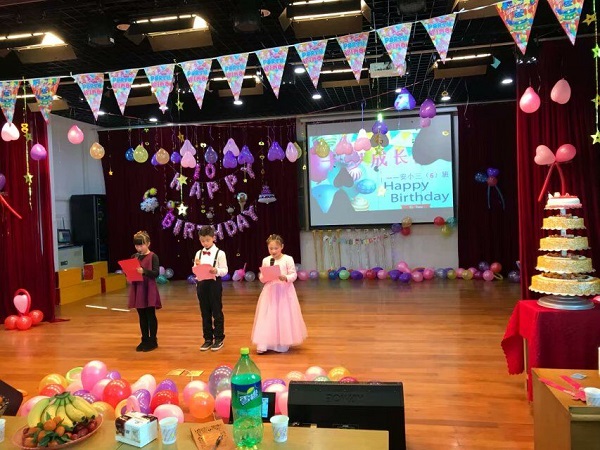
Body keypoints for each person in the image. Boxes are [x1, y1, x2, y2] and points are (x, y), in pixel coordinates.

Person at [252, 234, 307, 354]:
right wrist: (263, 277)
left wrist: (285, 277)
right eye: (270, 248)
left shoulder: (288, 259)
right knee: (268, 315)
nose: (273, 251)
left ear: (282, 246)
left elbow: (293, 274)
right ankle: (265, 342)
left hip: (284, 292)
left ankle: (282, 342)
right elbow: (262, 278)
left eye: (276, 248)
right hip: (270, 291)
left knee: (282, 315)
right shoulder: (266, 260)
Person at [194, 225, 228, 351]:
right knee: (205, 312)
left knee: (216, 311)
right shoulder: (198, 253)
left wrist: (216, 270)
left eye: (207, 240)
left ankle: (219, 338)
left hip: (214, 284)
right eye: (202, 241)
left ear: (213, 238)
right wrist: (197, 269)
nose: (205, 243)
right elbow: (195, 269)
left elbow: (225, 270)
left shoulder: (220, 253)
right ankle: (207, 338)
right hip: (202, 284)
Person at [128, 231, 161, 352]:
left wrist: (144, 271)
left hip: (149, 288)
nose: (139, 248)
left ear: (148, 244)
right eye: (137, 246)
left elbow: (156, 273)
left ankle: (153, 340)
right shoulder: (134, 256)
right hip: (138, 288)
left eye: (141, 245)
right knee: (141, 315)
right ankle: (144, 339)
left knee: (150, 314)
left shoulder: (153, 256)